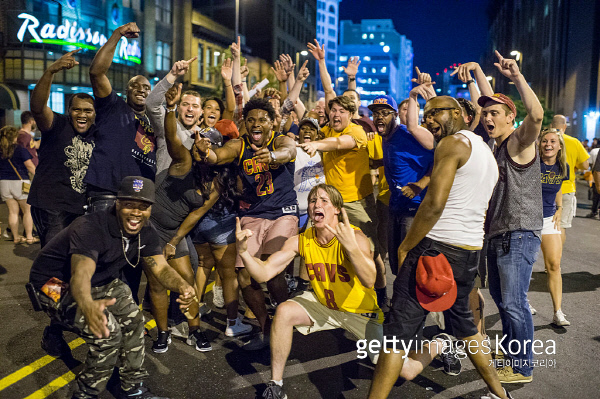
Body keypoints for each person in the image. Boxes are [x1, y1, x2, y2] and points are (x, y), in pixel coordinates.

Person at [368, 95, 506, 399]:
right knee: (467, 328)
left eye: (435, 114)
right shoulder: (484, 150)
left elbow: (433, 204)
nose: (429, 121)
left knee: (395, 337)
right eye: (426, 115)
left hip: (436, 250)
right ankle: (500, 394)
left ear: (457, 113)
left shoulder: (452, 144)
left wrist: (406, 246)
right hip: (469, 251)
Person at [28, 176, 196, 399]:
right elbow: (81, 273)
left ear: (150, 209)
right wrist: (87, 305)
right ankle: (86, 394)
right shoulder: (89, 227)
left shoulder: (146, 232)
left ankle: (132, 388)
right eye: (129, 205)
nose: (136, 213)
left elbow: (161, 269)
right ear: (117, 204)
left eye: (143, 207)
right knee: (108, 333)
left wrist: (183, 286)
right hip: (52, 283)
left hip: (99, 281)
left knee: (135, 320)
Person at [193, 95, 300, 350]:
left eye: (262, 119)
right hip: (252, 214)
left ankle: (286, 317)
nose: (256, 124)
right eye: (251, 120)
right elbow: (218, 156)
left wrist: (273, 157)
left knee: (273, 275)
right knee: (245, 276)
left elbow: (290, 151)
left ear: (271, 124)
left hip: (282, 211)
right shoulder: (240, 146)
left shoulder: (280, 140)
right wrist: (205, 151)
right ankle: (266, 328)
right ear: (245, 124)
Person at [481, 51, 545, 383]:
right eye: (485, 114)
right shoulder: (495, 147)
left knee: (513, 301)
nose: (487, 118)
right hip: (499, 233)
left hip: (518, 232)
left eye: (494, 113)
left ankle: (522, 367)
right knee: (502, 300)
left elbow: (536, 114)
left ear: (510, 117)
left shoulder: (519, 142)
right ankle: (511, 358)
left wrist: (517, 77)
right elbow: (487, 108)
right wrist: (480, 72)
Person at [146, 84, 224, 353]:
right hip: (151, 225)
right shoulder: (183, 160)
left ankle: (195, 330)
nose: (205, 150)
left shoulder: (214, 186)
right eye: (202, 145)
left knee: (187, 281)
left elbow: (195, 214)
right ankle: (163, 332)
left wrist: (174, 240)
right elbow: (171, 138)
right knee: (157, 282)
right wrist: (169, 108)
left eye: (211, 149)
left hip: (174, 231)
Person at [299, 95, 388, 309]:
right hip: (329, 204)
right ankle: (305, 291)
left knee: (370, 251)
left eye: (341, 111)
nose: (336, 114)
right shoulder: (326, 130)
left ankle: (381, 295)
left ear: (350, 114)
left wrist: (317, 144)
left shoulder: (356, 131)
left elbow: (339, 143)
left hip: (358, 203)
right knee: (312, 243)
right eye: (333, 110)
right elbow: (302, 119)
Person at [85, 22, 157, 211]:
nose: (141, 90)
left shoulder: (155, 121)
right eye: (136, 86)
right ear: (126, 91)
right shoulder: (113, 106)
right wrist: (117, 34)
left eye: (147, 88)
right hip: (107, 194)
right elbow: (96, 72)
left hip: (140, 197)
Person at [29, 49, 97, 248]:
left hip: (80, 207)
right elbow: (38, 108)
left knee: (75, 258)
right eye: (77, 109)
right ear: (69, 111)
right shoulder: (58, 124)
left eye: (88, 110)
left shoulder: (97, 134)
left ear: (94, 114)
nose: (82, 114)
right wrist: (50, 72)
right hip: (52, 205)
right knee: (55, 259)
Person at [145, 57, 199, 185]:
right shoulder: (168, 124)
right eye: (185, 104)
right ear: (178, 108)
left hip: (186, 201)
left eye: (195, 106)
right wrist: (173, 74)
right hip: (160, 195)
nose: (190, 109)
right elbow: (151, 103)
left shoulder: (203, 136)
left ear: (201, 112)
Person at [537, 128, 570, 326]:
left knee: (554, 265)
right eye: (544, 141)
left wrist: (559, 207)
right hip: (528, 220)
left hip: (549, 219)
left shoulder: (562, 166)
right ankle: (524, 303)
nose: (548, 144)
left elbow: (557, 187)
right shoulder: (533, 164)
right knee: (525, 267)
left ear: (559, 146)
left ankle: (558, 312)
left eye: (552, 142)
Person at [550, 115, 590, 245]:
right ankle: (556, 258)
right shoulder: (574, 142)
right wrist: (574, 166)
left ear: (551, 125)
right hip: (566, 189)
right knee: (560, 226)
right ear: (565, 127)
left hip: (546, 187)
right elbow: (585, 165)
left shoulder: (546, 140)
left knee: (545, 225)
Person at [0, 126, 36, 244]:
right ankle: (29, 237)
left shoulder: (1, 150)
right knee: (27, 210)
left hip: (4, 183)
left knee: (12, 211)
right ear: (14, 136)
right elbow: (30, 166)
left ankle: (16, 237)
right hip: (20, 183)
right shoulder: (20, 149)